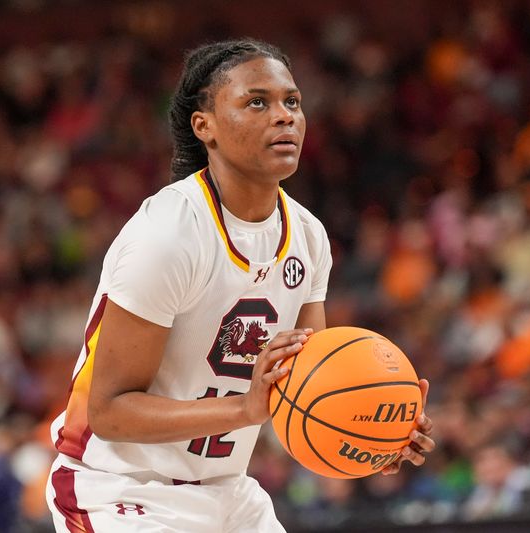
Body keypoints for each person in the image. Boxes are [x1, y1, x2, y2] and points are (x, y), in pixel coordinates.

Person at [45, 38, 435, 532]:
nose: (284, 116)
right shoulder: (168, 235)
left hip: (227, 492)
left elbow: (304, 390)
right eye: (257, 101)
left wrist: (373, 431)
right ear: (203, 125)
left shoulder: (309, 237)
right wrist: (245, 408)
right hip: (118, 489)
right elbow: (109, 412)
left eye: (292, 101)